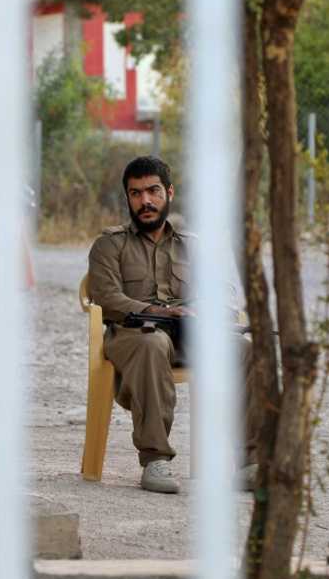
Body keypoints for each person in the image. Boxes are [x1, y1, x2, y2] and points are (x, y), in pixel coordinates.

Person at [87, 155, 259, 493]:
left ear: (169, 192)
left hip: (190, 336)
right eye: (135, 193)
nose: (145, 201)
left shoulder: (193, 246)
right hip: (133, 334)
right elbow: (106, 297)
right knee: (154, 344)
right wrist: (163, 312)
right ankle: (155, 460)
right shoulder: (109, 245)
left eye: (152, 191)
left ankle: (251, 463)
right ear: (127, 197)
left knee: (244, 350)